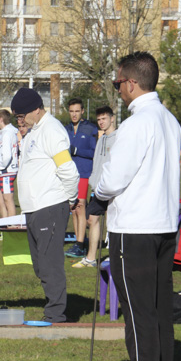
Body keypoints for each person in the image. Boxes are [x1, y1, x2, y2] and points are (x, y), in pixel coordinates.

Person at [97, 52, 181, 361]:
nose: (118, 90)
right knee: (160, 307)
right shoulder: (170, 120)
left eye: (118, 83)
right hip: (163, 225)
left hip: (134, 228)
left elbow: (113, 179)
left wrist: (98, 194)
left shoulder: (137, 124)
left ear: (131, 83)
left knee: (138, 310)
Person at [12, 88, 79, 323]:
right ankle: (54, 305)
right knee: (40, 265)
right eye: (17, 117)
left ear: (37, 109)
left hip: (49, 205)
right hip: (33, 208)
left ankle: (56, 313)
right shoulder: (33, 132)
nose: (19, 121)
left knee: (50, 264)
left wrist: (71, 198)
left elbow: (68, 169)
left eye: (21, 116)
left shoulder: (51, 130)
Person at [73, 106, 117, 268]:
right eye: (99, 119)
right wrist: (93, 181)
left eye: (104, 118)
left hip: (112, 187)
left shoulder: (118, 138)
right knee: (91, 219)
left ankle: (114, 256)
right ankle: (91, 258)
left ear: (112, 118)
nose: (101, 122)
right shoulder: (101, 138)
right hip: (98, 187)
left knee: (113, 222)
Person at [63, 99, 98, 259]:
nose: (74, 114)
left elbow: (93, 152)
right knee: (74, 208)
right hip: (70, 174)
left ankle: (80, 244)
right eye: (71, 111)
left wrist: (76, 150)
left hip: (84, 172)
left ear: (82, 111)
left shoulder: (90, 128)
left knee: (81, 206)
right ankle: (80, 242)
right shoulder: (66, 129)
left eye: (77, 111)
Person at [0, 109, 19, 218]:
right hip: (5, 171)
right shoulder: (7, 132)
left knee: (8, 200)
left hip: (7, 171)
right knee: (0, 200)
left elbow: (7, 155)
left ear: (1, 119)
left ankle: (11, 228)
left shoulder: (7, 134)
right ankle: (5, 227)